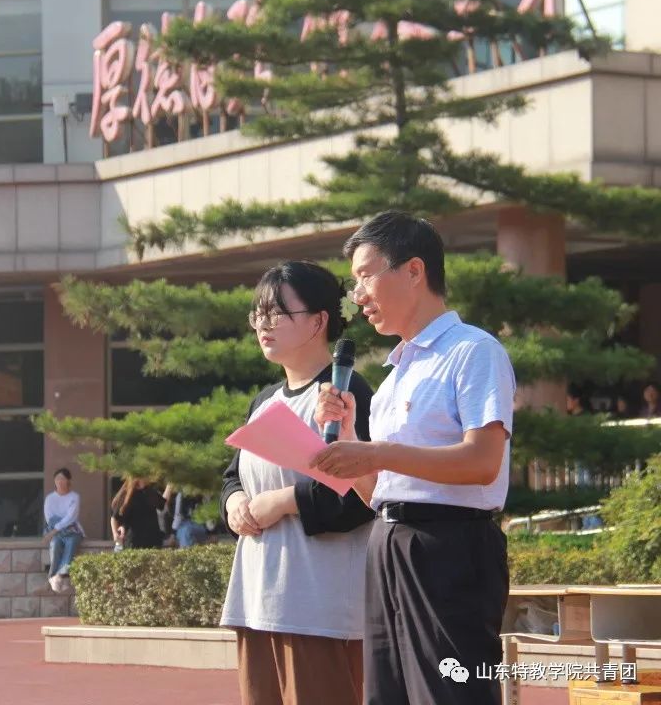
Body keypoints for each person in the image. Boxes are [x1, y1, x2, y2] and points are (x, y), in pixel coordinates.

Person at [311, 211, 516, 705]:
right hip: (388, 543)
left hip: (449, 545)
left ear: (414, 270)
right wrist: (348, 441)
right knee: (388, 695)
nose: (358, 296)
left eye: (365, 277)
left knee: (449, 694)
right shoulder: (395, 376)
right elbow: (379, 494)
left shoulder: (473, 351)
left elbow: (482, 462)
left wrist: (377, 452)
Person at [220, 261, 375, 705]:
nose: (263, 325)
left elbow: (362, 496)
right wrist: (234, 503)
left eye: (277, 313)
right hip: (257, 598)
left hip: (318, 604)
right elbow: (234, 475)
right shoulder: (265, 401)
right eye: (258, 314)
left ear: (319, 321)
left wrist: (283, 501)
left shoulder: (345, 392)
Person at [42, 467, 84, 593]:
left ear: (68, 481)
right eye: (57, 479)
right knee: (55, 545)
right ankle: (54, 577)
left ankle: (59, 575)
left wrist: (54, 530)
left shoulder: (74, 497)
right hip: (57, 532)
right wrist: (59, 528)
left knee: (71, 543)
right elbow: (50, 518)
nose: (59, 482)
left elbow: (71, 517)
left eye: (62, 479)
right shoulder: (50, 498)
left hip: (72, 531)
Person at [110, 478, 172, 549]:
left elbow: (162, 503)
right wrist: (115, 534)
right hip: (134, 541)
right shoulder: (127, 494)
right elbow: (114, 517)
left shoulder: (149, 491)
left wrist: (170, 485)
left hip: (153, 540)